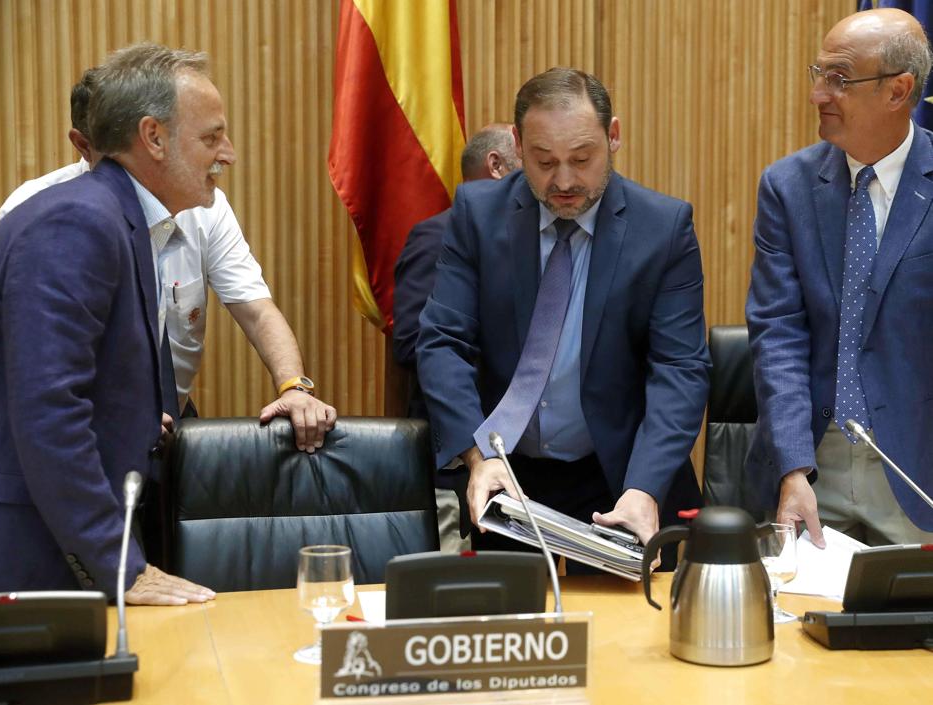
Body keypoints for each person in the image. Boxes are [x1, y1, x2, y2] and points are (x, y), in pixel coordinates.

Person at [415, 68, 709, 562]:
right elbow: (443, 340)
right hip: (505, 474)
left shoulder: (663, 228)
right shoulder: (478, 214)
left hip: (621, 476)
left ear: (613, 136)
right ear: (516, 144)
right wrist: (477, 455)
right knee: (514, 634)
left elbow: (680, 370)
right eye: (544, 161)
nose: (565, 181)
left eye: (583, 158)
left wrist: (645, 487)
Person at [0, 43, 235, 604]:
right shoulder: (77, 222)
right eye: (210, 137)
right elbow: (49, 410)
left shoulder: (119, 219)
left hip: (64, 534)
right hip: (32, 550)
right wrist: (120, 564)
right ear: (153, 137)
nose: (228, 153)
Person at [0, 69, 336, 453]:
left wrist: (294, 385)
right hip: (84, 428)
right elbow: (34, 364)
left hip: (171, 418)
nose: (226, 153)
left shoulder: (201, 205)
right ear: (82, 144)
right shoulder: (43, 212)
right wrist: (116, 412)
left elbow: (257, 310)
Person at [746, 8, 933, 546]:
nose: (819, 95)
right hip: (808, 471)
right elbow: (777, 333)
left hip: (915, 472)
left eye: (840, 80)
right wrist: (793, 469)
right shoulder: (788, 187)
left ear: (899, 90)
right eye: (819, 74)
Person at [393, 123, 521, 551]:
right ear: (498, 165)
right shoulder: (437, 235)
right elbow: (411, 339)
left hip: (520, 463)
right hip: (459, 469)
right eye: (532, 160)